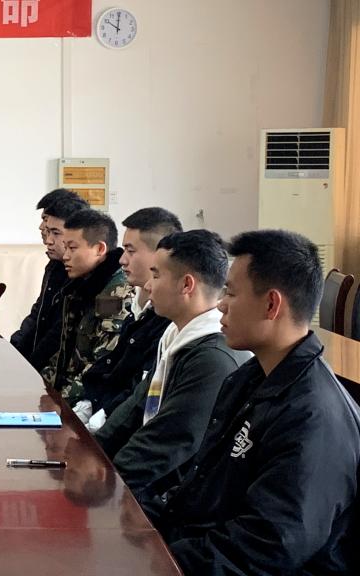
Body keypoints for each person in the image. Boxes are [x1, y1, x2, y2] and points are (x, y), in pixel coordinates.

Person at [154, 230, 360, 574]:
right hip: (198, 549)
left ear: (271, 305)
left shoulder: (312, 416)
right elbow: (203, 487)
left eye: (231, 293)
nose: (221, 304)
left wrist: (162, 561)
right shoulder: (250, 376)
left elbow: (268, 547)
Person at [94, 230, 250, 507]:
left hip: (176, 499)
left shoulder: (213, 359)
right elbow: (135, 407)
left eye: (156, 275)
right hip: (150, 486)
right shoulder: (175, 335)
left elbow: (167, 443)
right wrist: (91, 453)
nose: (148, 286)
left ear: (186, 284)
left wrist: (107, 481)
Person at [79, 207, 183, 426]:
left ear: (159, 253)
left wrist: (101, 420)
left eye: (131, 251)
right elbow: (111, 368)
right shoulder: (139, 306)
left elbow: (138, 391)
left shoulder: (169, 318)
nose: (122, 260)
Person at [41, 209, 133, 403]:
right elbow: (62, 355)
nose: (65, 256)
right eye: (65, 248)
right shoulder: (80, 284)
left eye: (72, 248)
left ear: (100, 249)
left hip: (83, 401)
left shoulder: (113, 295)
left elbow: (101, 365)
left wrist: (59, 401)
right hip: (65, 392)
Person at [10, 190, 90, 371]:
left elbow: (58, 335)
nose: (42, 228)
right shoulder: (55, 265)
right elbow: (38, 315)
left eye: (47, 222)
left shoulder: (80, 274)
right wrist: (15, 349)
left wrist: (28, 367)